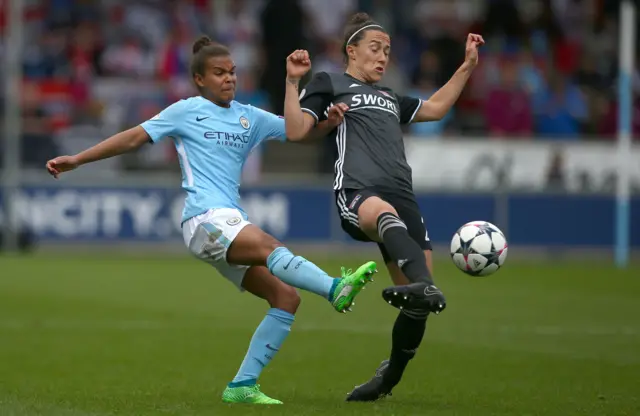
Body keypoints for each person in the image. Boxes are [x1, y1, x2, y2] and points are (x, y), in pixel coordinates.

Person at [45, 36, 377, 405]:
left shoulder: (249, 117)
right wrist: (77, 159)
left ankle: (242, 386)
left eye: (232, 72)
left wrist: (304, 95)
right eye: (219, 73)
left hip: (228, 221)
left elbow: (298, 131)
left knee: (285, 297)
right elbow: (133, 138)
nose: (229, 79)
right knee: (270, 246)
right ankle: (334, 288)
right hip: (204, 219)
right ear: (199, 79)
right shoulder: (185, 110)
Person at [283, 13, 483, 401]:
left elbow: (437, 108)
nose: (382, 57)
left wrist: (467, 66)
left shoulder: (390, 97)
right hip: (358, 190)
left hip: (402, 194)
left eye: (387, 51)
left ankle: (387, 378)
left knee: (417, 306)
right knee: (407, 257)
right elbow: (295, 131)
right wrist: (293, 82)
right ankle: (424, 284)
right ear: (351, 50)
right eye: (375, 48)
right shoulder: (330, 82)